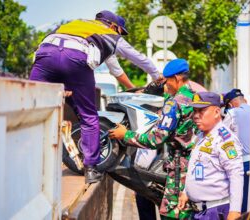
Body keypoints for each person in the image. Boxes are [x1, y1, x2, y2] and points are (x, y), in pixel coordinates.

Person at [29, 10, 160, 184]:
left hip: (45, 56)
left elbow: (115, 69)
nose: (120, 35)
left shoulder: (75, 25)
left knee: (31, 108)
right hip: (75, 59)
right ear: (114, 26)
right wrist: (157, 76)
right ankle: (90, 168)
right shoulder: (111, 35)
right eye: (121, 31)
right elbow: (138, 58)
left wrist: (131, 88)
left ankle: (28, 161)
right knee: (89, 116)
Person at [109, 58, 200, 219]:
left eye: (167, 81)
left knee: (173, 213)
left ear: (177, 79)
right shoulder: (195, 98)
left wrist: (126, 135)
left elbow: (156, 139)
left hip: (179, 170)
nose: (166, 86)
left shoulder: (174, 103)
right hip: (194, 165)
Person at [178, 92, 244, 220]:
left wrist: (235, 211)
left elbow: (236, 175)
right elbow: (198, 166)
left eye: (201, 111)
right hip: (200, 211)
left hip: (215, 211)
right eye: (195, 111)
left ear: (216, 112)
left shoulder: (225, 139)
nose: (196, 116)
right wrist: (187, 192)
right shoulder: (201, 135)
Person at [223, 89, 250, 213]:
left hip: (243, 162)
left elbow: (220, 133)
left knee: (242, 201)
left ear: (230, 104)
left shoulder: (232, 113)